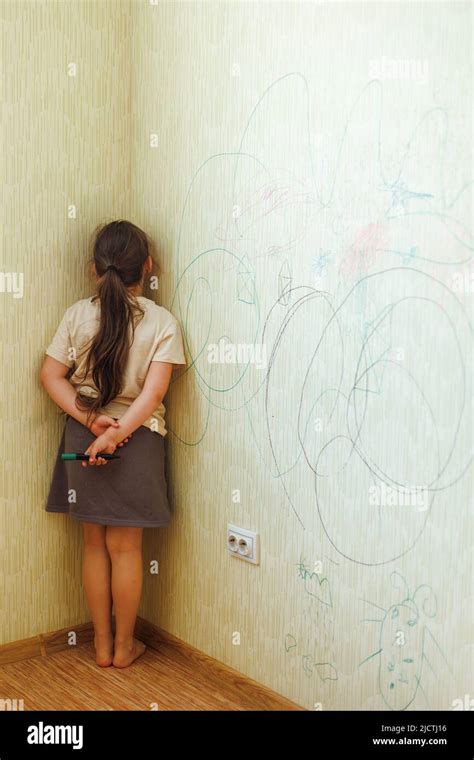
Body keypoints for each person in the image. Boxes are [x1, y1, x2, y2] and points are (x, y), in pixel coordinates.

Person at [40, 219, 186, 668]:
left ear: (94, 269)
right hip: (137, 441)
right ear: (147, 266)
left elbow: (50, 376)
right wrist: (119, 434)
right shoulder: (162, 321)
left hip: (83, 439)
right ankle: (125, 647)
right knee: (126, 549)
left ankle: (100, 646)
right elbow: (154, 394)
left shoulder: (77, 314)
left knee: (93, 546)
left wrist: (91, 422)